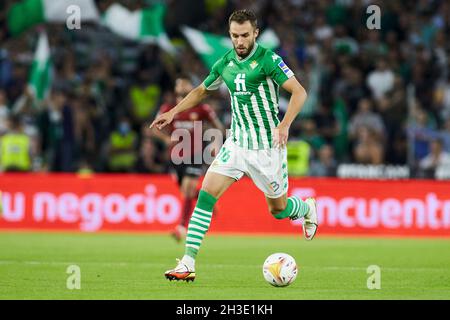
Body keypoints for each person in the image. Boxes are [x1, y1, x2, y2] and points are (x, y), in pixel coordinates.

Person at [151, 9, 317, 282]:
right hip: (237, 143)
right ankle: (187, 263)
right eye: (234, 36)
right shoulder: (225, 62)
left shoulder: (269, 59)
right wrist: (173, 112)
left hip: (267, 147)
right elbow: (201, 91)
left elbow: (299, 92)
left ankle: (306, 208)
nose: (239, 41)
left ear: (256, 34)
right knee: (205, 194)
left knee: (279, 210)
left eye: (244, 36)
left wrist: (284, 125)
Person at [151, 74, 224, 242]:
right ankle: (208, 201)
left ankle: (181, 227)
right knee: (186, 192)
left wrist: (215, 143)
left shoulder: (202, 109)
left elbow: (218, 127)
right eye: (179, 84)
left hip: (196, 154)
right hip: (175, 157)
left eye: (185, 84)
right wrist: (165, 139)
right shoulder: (168, 108)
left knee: (188, 189)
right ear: (175, 89)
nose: (182, 86)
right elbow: (154, 128)